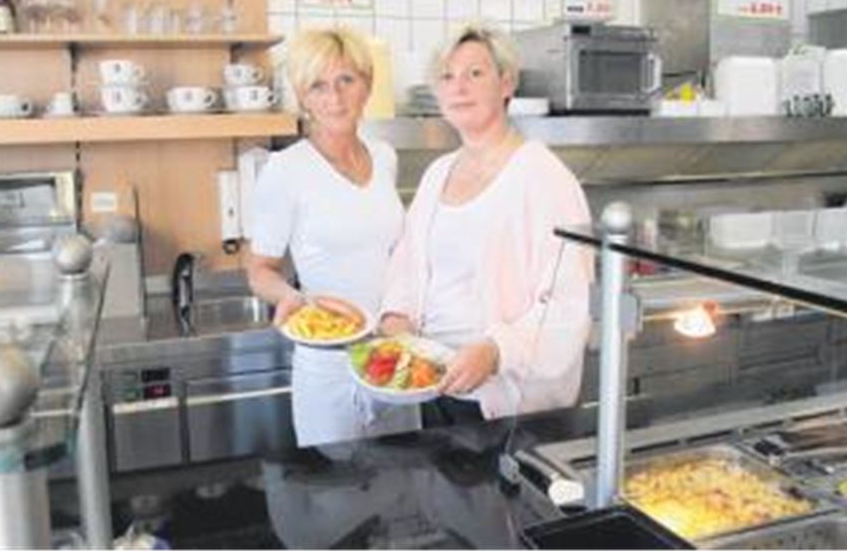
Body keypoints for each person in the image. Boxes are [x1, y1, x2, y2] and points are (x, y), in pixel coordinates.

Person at [379, 22, 594, 426]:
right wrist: (396, 316)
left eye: (475, 73)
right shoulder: (437, 173)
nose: (459, 87)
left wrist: (497, 351)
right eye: (447, 77)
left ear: (506, 83)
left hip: (509, 404)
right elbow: (406, 264)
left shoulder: (544, 177)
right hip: (435, 385)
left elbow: (569, 305)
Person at [248, 27, 420, 447]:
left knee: (405, 477)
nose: (335, 97)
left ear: (367, 85)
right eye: (318, 86)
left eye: (346, 80)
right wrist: (292, 299)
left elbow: (397, 253)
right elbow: (260, 269)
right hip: (329, 365)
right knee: (336, 484)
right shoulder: (285, 170)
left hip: (392, 350)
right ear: (302, 96)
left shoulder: (384, 157)